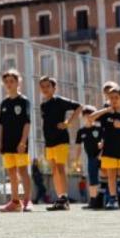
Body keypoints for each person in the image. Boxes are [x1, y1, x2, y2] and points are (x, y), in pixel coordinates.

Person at [87, 87, 120, 210]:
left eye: (116, 98)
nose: (113, 100)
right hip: (109, 150)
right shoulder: (106, 114)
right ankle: (112, 199)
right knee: (111, 175)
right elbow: (90, 118)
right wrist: (105, 110)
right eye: (111, 98)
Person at [38, 76, 81, 210]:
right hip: (49, 142)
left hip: (61, 140)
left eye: (48, 86)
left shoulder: (60, 101)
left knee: (61, 168)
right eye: (43, 87)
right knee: (54, 170)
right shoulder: (43, 105)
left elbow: (79, 107)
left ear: (54, 88)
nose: (45, 89)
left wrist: (68, 123)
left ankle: (64, 198)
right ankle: (60, 197)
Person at [0, 69, 32, 212]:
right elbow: (1, 125)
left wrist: (23, 141)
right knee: (11, 173)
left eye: (12, 81)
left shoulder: (24, 101)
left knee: (23, 171)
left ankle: (27, 201)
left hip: (20, 143)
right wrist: (0, 142)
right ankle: (15, 201)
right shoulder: (4, 103)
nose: (9, 84)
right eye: (6, 82)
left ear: (18, 82)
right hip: (7, 143)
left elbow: (27, 123)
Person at [74, 105, 104, 209]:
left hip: (102, 156)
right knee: (92, 178)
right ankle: (93, 200)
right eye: (86, 116)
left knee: (107, 177)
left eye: (91, 116)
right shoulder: (81, 131)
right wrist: (76, 160)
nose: (89, 118)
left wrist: (101, 154)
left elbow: (106, 142)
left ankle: (109, 198)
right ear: (82, 117)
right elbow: (78, 147)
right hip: (91, 157)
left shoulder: (100, 129)